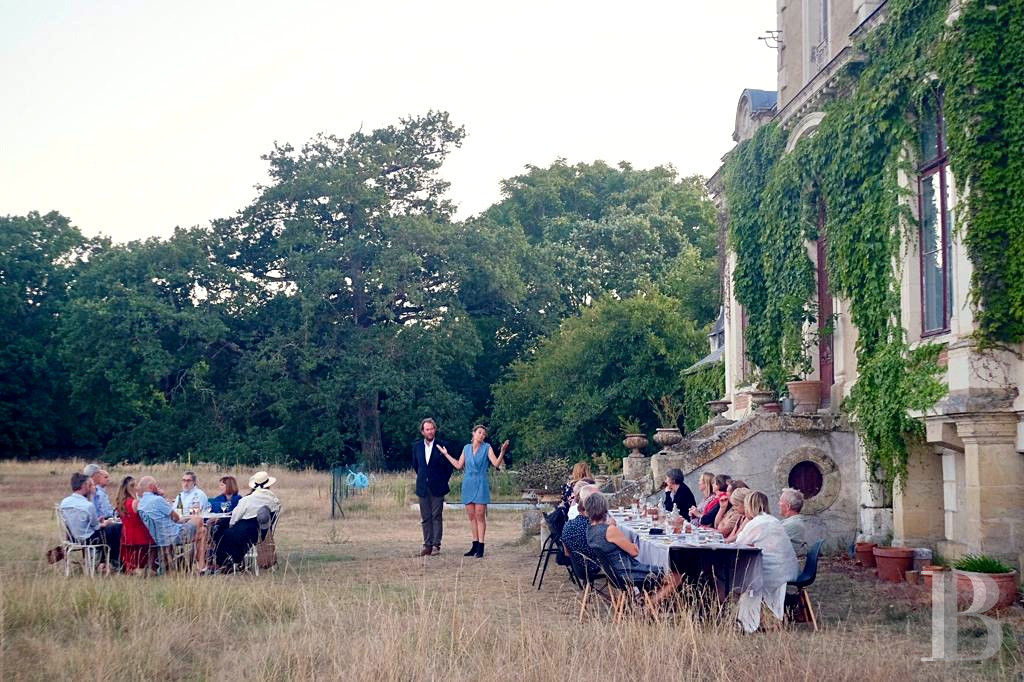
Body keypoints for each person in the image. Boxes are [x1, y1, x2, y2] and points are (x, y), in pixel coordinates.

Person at [584, 491, 682, 608]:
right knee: (676, 577)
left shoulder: (590, 531)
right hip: (628, 573)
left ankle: (643, 599)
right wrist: (614, 528)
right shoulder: (609, 530)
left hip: (613, 574)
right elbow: (635, 552)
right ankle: (648, 606)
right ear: (604, 509)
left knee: (656, 569)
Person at [438, 424, 509, 558]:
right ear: (473, 433)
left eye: (484, 434)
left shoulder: (487, 448)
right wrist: (446, 454)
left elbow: (496, 464)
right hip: (468, 483)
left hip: (481, 483)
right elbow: (459, 465)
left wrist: (502, 451)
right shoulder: (466, 448)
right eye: (479, 432)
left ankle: (481, 545)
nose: (481, 435)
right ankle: (474, 544)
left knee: (480, 515)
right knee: (471, 516)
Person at [735, 491, 799, 633]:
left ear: (749, 506)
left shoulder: (756, 523)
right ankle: (759, 618)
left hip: (775, 572)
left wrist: (744, 524)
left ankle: (748, 621)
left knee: (745, 579)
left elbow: (739, 543)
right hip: (788, 568)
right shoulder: (772, 520)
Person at [216, 471, 282, 570]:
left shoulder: (247, 500)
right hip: (263, 532)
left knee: (222, 532)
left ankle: (224, 563)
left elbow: (235, 517)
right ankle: (234, 562)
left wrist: (230, 525)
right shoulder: (274, 500)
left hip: (246, 532)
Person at [136, 476, 205, 570]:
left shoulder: (140, 502)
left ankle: (200, 564)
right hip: (173, 536)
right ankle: (200, 565)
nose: (158, 487)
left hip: (156, 537)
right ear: (151, 487)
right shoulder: (157, 500)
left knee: (203, 531)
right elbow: (176, 517)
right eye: (156, 485)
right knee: (198, 519)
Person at [412, 417, 454, 557]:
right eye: (427, 429)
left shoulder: (443, 445)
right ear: (423, 431)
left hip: (438, 486)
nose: (430, 431)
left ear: (435, 429)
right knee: (425, 517)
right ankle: (427, 545)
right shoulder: (417, 446)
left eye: (432, 429)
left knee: (436, 515)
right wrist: (425, 478)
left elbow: (449, 467)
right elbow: (416, 466)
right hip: (423, 486)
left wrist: (441, 480)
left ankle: (436, 545)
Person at [59, 472, 118, 571]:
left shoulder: (64, 502)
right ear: (84, 486)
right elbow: (97, 527)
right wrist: (106, 523)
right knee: (114, 528)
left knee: (109, 529)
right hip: (88, 538)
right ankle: (112, 562)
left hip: (72, 537)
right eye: (89, 485)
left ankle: (101, 562)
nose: (91, 487)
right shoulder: (88, 505)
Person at [114, 475, 154, 573]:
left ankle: (132, 569)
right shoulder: (135, 503)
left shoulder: (121, 503)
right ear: (133, 487)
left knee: (132, 562)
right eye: (138, 485)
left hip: (127, 537)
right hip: (140, 537)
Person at [87, 466, 122, 569]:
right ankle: (112, 560)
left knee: (114, 527)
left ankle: (106, 560)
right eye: (105, 477)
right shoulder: (96, 494)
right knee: (116, 528)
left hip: (89, 528)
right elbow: (104, 513)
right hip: (92, 531)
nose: (108, 479)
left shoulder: (98, 493)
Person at [205, 476, 242, 569]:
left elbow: (233, 513)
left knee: (219, 531)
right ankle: (209, 556)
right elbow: (211, 506)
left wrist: (218, 518)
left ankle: (219, 561)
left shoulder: (237, 499)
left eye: (222, 485)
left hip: (232, 525)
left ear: (229, 486)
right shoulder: (220, 498)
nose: (220, 487)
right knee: (208, 526)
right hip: (219, 523)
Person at [779, 487, 808, 557]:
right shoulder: (794, 521)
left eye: (780, 501)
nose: (778, 503)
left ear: (788, 506)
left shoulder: (792, 524)